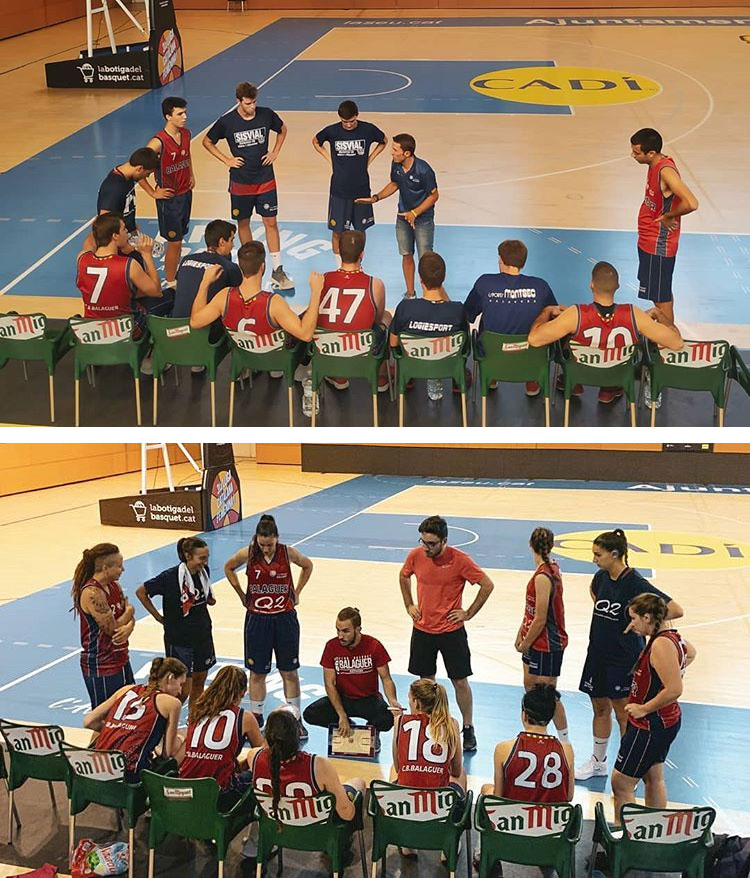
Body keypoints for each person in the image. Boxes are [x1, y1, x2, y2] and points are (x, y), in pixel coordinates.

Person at [575, 528, 683, 781]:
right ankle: (598, 762)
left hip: (623, 657)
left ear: (615, 554)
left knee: (624, 713)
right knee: (599, 707)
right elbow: (595, 594)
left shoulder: (636, 583)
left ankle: (627, 769)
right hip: (597, 653)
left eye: (598, 555)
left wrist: (645, 622)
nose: (594, 559)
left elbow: (676, 610)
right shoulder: (600, 578)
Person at [399, 515, 495, 752]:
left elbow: (487, 585)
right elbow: (403, 576)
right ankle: (429, 725)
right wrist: (409, 604)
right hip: (423, 630)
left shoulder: (460, 560)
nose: (426, 548)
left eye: (432, 543)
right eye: (423, 542)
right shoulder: (415, 555)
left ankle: (468, 727)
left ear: (444, 541)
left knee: (460, 681)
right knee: (426, 682)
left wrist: (468, 613)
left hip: (452, 632)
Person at [528, 261, 682, 405]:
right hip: (617, 375)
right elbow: (677, 343)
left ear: (591, 285)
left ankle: (572, 383)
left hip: (580, 374)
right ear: (618, 286)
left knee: (564, 340)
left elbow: (534, 339)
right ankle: (608, 389)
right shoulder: (634, 315)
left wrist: (546, 311)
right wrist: (659, 314)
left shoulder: (575, 314)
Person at [223, 514, 314, 738]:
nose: (265, 548)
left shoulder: (287, 552)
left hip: (284, 618)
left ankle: (295, 718)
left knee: (289, 671)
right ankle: (256, 717)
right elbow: (228, 568)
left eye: (269, 544)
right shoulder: (248, 553)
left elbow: (307, 565)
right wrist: (241, 594)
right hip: (258, 619)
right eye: (262, 544)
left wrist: (297, 592)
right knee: (257, 672)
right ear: (256, 539)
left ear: (277, 538)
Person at [611, 593, 695, 822]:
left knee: (621, 782)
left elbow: (674, 689)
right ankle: (653, 829)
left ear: (647, 617)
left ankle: (624, 834)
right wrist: (670, 670)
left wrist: (644, 708)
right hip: (665, 720)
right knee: (653, 776)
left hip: (649, 724)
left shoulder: (661, 644)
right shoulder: (672, 637)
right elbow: (691, 653)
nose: (631, 625)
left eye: (634, 618)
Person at [203, 81, 293, 291]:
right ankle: (249, 269)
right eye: (247, 103)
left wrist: (275, 152)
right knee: (243, 224)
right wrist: (226, 160)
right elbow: (207, 141)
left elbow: (283, 130)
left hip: (265, 179)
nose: (252, 107)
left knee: (271, 222)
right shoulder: (227, 122)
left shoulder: (266, 114)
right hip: (240, 182)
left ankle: (277, 270)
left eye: (254, 102)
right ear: (238, 101)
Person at [464, 239, 558, 396]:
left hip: (493, 353)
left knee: (483, 329)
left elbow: (468, 315)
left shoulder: (485, 282)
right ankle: (532, 379)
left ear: (500, 260)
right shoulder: (541, 286)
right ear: (523, 262)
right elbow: (554, 318)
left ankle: (491, 375)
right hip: (530, 353)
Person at [189, 241, 323, 348]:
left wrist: (204, 283)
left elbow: (195, 322)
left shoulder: (224, 296)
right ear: (263, 267)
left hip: (243, 356)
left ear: (240, 267)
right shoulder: (274, 303)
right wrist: (316, 292)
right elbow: (305, 335)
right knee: (305, 321)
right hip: (273, 359)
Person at [135, 537, 217, 707]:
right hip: (179, 639)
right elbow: (141, 592)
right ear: (188, 556)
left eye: (207, 557)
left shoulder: (204, 572)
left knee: (199, 681)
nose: (205, 562)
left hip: (202, 635)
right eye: (201, 558)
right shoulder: (169, 577)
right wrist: (157, 617)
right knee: (182, 689)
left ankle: (194, 718)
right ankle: (167, 716)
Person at [249, 707, 365, 823]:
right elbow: (347, 814)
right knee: (358, 782)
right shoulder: (318, 765)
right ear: (299, 733)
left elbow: (265, 749)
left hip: (274, 825)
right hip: (317, 829)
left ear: (267, 736)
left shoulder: (254, 757)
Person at [357, 133, 438, 299]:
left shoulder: (424, 170)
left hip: (422, 220)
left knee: (425, 259)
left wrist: (415, 213)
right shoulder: (396, 165)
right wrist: (376, 198)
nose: (391, 153)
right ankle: (410, 293)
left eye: (395, 150)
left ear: (406, 153)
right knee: (406, 255)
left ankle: (428, 295)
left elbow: (434, 196)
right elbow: (395, 184)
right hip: (402, 218)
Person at [303, 607, 402, 744]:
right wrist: (341, 715)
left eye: (345, 631)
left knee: (388, 718)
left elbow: (386, 679)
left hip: (369, 699)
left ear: (358, 629)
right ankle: (346, 725)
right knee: (310, 714)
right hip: (343, 698)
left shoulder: (374, 645)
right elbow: (329, 684)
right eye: (338, 630)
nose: (340, 636)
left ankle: (371, 730)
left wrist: (393, 701)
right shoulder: (331, 646)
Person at [631, 127, 699, 324]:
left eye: (636, 152)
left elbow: (692, 203)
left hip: (658, 245)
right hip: (648, 241)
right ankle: (666, 332)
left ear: (651, 153)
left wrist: (669, 215)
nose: (633, 156)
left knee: (662, 299)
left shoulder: (666, 172)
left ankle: (669, 335)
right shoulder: (655, 164)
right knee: (660, 294)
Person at [83, 656, 186, 782]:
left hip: (95, 766)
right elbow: (168, 753)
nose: (180, 691)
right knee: (188, 739)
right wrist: (181, 738)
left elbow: (89, 721)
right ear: (170, 677)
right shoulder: (172, 703)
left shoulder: (126, 689)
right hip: (128, 774)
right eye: (181, 684)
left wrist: (118, 729)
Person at [179, 665, 264, 808]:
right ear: (243, 692)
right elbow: (262, 755)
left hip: (187, 788)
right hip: (220, 794)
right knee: (257, 772)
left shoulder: (197, 710)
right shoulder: (245, 717)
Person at [312, 100, 387, 262]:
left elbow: (383, 141)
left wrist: (369, 159)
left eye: (351, 121)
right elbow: (316, 141)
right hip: (339, 191)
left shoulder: (368, 129)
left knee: (360, 231)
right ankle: (339, 266)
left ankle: (358, 265)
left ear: (357, 116)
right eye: (344, 122)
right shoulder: (332, 131)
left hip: (361, 190)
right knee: (338, 232)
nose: (348, 125)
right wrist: (329, 159)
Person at [317, 229, 391, 392]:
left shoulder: (323, 279)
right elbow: (376, 319)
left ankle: (338, 375)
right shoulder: (375, 284)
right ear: (362, 254)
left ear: (339, 252)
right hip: (360, 349)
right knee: (386, 317)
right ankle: (380, 376)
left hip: (327, 347)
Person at [515, 528, 569, 742]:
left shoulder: (544, 576)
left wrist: (525, 643)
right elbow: (531, 609)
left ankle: (564, 741)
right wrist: (521, 631)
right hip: (534, 640)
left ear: (530, 545)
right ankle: (533, 733)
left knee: (547, 695)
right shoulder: (547, 569)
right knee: (530, 688)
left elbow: (541, 618)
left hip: (547, 643)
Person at [389, 252, 467, 399]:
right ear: (444, 277)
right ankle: (458, 380)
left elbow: (393, 343)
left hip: (413, 364)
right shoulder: (457, 310)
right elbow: (465, 345)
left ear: (420, 278)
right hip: (447, 364)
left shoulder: (405, 308)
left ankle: (409, 376)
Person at [76, 212, 165, 337]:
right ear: (115, 236)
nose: (127, 232)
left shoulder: (82, 259)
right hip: (124, 331)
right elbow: (156, 291)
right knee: (169, 296)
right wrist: (147, 255)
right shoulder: (128, 265)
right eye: (124, 229)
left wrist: (100, 227)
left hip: (92, 330)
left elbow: (89, 242)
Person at [482, 684, 574, 801]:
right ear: (550, 716)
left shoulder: (503, 748)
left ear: (524, 715)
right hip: (550, 813)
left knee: (486, 788)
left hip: (514, 812)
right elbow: (569, 796)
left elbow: (498, 797)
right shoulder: (566, 750)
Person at [72, 543, 135, 709]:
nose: (123, 570)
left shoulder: (115, 586)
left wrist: (129, 627)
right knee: (104, 716)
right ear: (106, 568)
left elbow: (127, 618)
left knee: (126, 711)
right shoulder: (92, 593)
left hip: (121, 658)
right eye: (119, 566)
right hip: (101, 663)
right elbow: (111, 629)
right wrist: (130, 612)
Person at [141, 97, 195, 290]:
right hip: (169, 200)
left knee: (179, 241)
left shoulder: (186, 134)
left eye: (185, 112)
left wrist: (191, 174)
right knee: (175, 243)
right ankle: (171, 282)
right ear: (168, 116)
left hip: (186, 194)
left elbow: (187, 155)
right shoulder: (158, 143)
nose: (185, 117)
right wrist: (152, 192)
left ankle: (175, 276)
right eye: (180, 114)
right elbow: (138, 167)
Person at [171, 219, 241, 318]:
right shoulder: (230, 268)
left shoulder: (186, 259)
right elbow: (239, 300)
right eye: (231, 240)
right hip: (205, 325)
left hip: (175, 323)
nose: (233, 245)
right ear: (222, 242)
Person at [93, 147, 160, 239]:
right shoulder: (115, 188)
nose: (147, 177)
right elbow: (105, 223)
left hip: (128, 232)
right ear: (139, 168)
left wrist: (133, 227)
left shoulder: (126, 172)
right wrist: (126, 245)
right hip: (120, 240)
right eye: (147, 173)